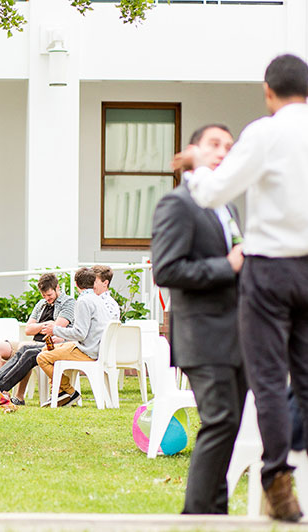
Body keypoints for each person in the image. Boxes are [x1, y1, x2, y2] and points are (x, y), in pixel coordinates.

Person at [175, 54, 308, 522]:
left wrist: (196, 167)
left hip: (271, 270)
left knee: (270, 379)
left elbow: (213, 193)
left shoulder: (266, 132)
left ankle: (276, 474)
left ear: (268, 92)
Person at [152, 124, 246, 515]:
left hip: (237, 334)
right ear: (193, 150)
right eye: (214, 144)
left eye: (229, 145)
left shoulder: (228, 207)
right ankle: (195, 516)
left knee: (232, 424)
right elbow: (167, 270)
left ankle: (216, 513)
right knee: (220, 419)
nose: (222, 151)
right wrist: (227, 266)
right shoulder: (178, 203)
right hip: (202, 334)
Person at [0, 273, 75, 405]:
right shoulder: (41, 304)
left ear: (57, 288)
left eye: (49, 295)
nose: (47, 299)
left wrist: (39, 326)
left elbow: (55, 328)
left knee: (24, 348)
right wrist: (44, 324)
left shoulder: (68, 303)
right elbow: (28, 329)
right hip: (34, 342)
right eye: (44, 296)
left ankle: (11, 394)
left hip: (52, 345)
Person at [37, 268, 111, 407]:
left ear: (76, 284)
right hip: (94, 347)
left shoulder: (83, 301)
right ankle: (59, 394)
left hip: (87, 351)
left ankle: (70, 392)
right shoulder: (97, 299)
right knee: (46, 350)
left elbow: (80, 333)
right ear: (94, 282)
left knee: (42, 358)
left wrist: (55, 330)